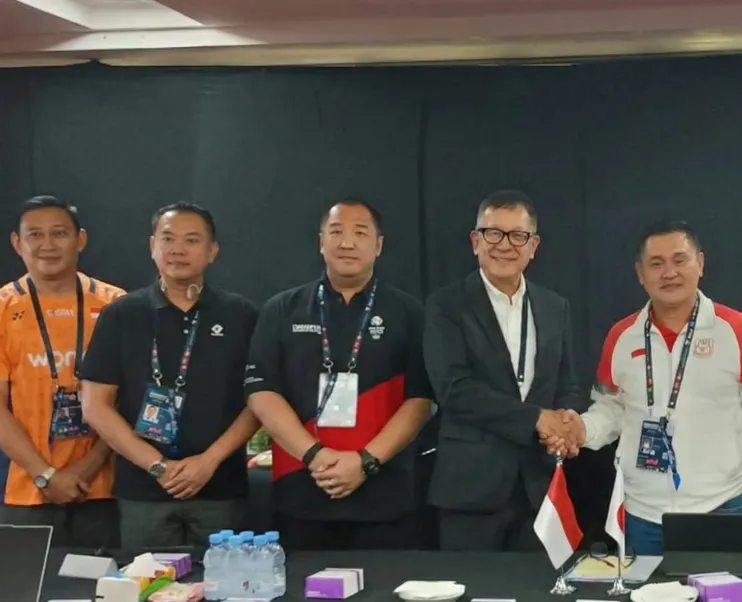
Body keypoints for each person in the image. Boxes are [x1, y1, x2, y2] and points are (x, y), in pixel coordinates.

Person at [548, 221, 742, 555]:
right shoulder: (621, 336)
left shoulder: (736, 330)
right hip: (642, 512)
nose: (669, 273)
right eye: (656, 264)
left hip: (723, 506)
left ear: (700, 264)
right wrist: (581, 429)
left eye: (679, 260)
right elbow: (610, 410)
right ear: (640, 273)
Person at [244, 199, 434, 551]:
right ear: (321, 242)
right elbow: (262, 393)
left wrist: (366, 462)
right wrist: (315, 456)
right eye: (336, 232)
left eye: (360, 233)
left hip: (385, 493)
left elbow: (421, 400)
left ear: (378, 245)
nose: (347, 243)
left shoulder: (410, 313)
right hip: (301, 487)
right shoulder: (282, 309)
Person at [80, 202, 259, 549]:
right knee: (145, 578)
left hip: (220, 488)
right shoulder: (121, 315)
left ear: (212, 251)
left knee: (223, 578)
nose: (178, 249)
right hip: (143, 491)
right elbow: (95, 406)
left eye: (192, 240)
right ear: (152, 246)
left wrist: (209, 461)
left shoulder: (241, 315)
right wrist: (157, 466)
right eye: (168, 239)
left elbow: (260, 402)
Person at [424, 189, 584, 552]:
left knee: (537, 582)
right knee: (470, 582)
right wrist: (536, 419)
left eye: (518, 236)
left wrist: (566, 422)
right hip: (471, 489)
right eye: (493, 233)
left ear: (533, 246)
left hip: (539, 487)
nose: (504, 245)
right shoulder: (446, 305)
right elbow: (453, 388)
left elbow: (568, 383)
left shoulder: (555, 306)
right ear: (475, 241)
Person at [0, 196, 123, 548]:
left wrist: (88, 467)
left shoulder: (116, 305)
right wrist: (45, 475)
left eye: (59, 233)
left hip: (106, 488)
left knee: (105, 579)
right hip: (25, 489)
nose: (48, 245)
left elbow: (130, 401)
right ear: (17, 243)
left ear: (80, 239)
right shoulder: (3, 308)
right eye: (35, 235)